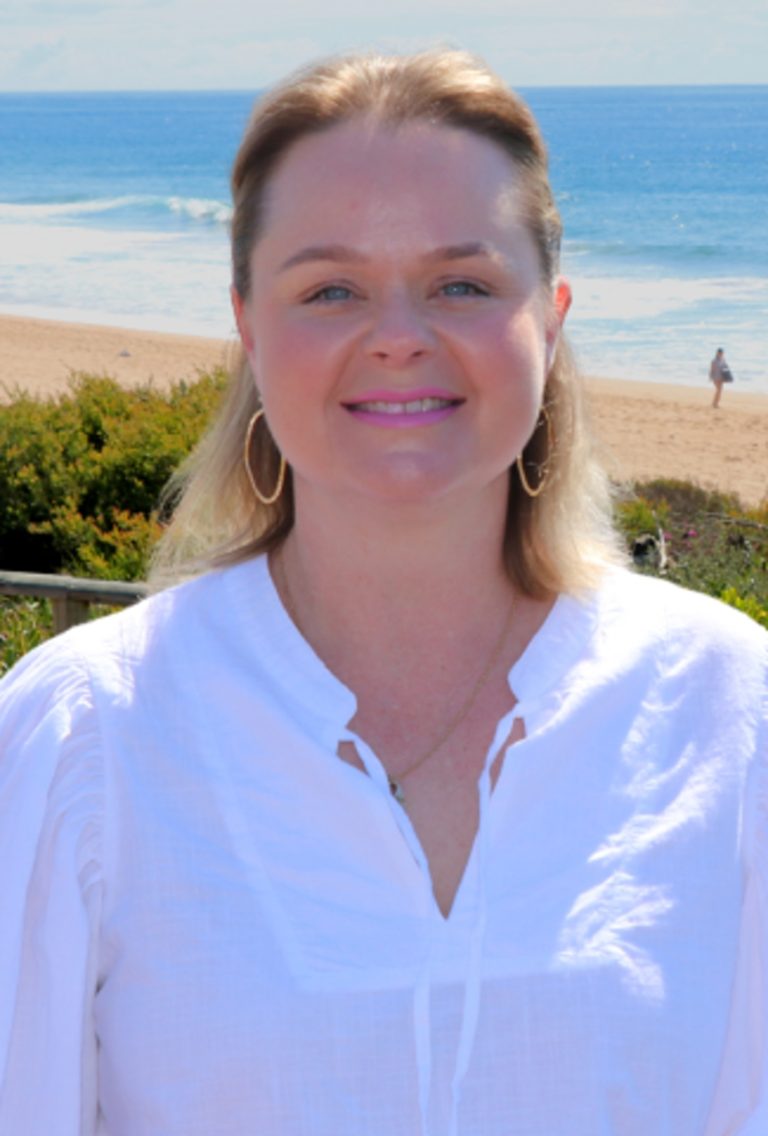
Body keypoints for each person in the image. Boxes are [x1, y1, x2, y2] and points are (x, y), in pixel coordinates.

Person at [0, 50, 766, 1136]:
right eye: (331, 289)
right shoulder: (88, 737)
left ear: (550, 318)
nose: (400, 335)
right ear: (249, 327)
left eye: (462, 284)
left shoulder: (728, 712)